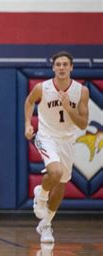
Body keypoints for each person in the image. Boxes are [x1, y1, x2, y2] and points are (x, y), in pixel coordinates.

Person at [24, 51, 89, 243]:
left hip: (67, 139)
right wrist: (28, 124)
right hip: (46, 136)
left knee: (61, 185)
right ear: (53, 67)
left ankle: (45, 225)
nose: (61, 67)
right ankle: (41, 194)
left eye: (65, 64)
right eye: (58, 64)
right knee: (56, 171)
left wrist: (69, 109)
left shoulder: (81, 91)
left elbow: (83, 124)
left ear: (71, 68)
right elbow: (28, 102)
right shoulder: (41, 88)